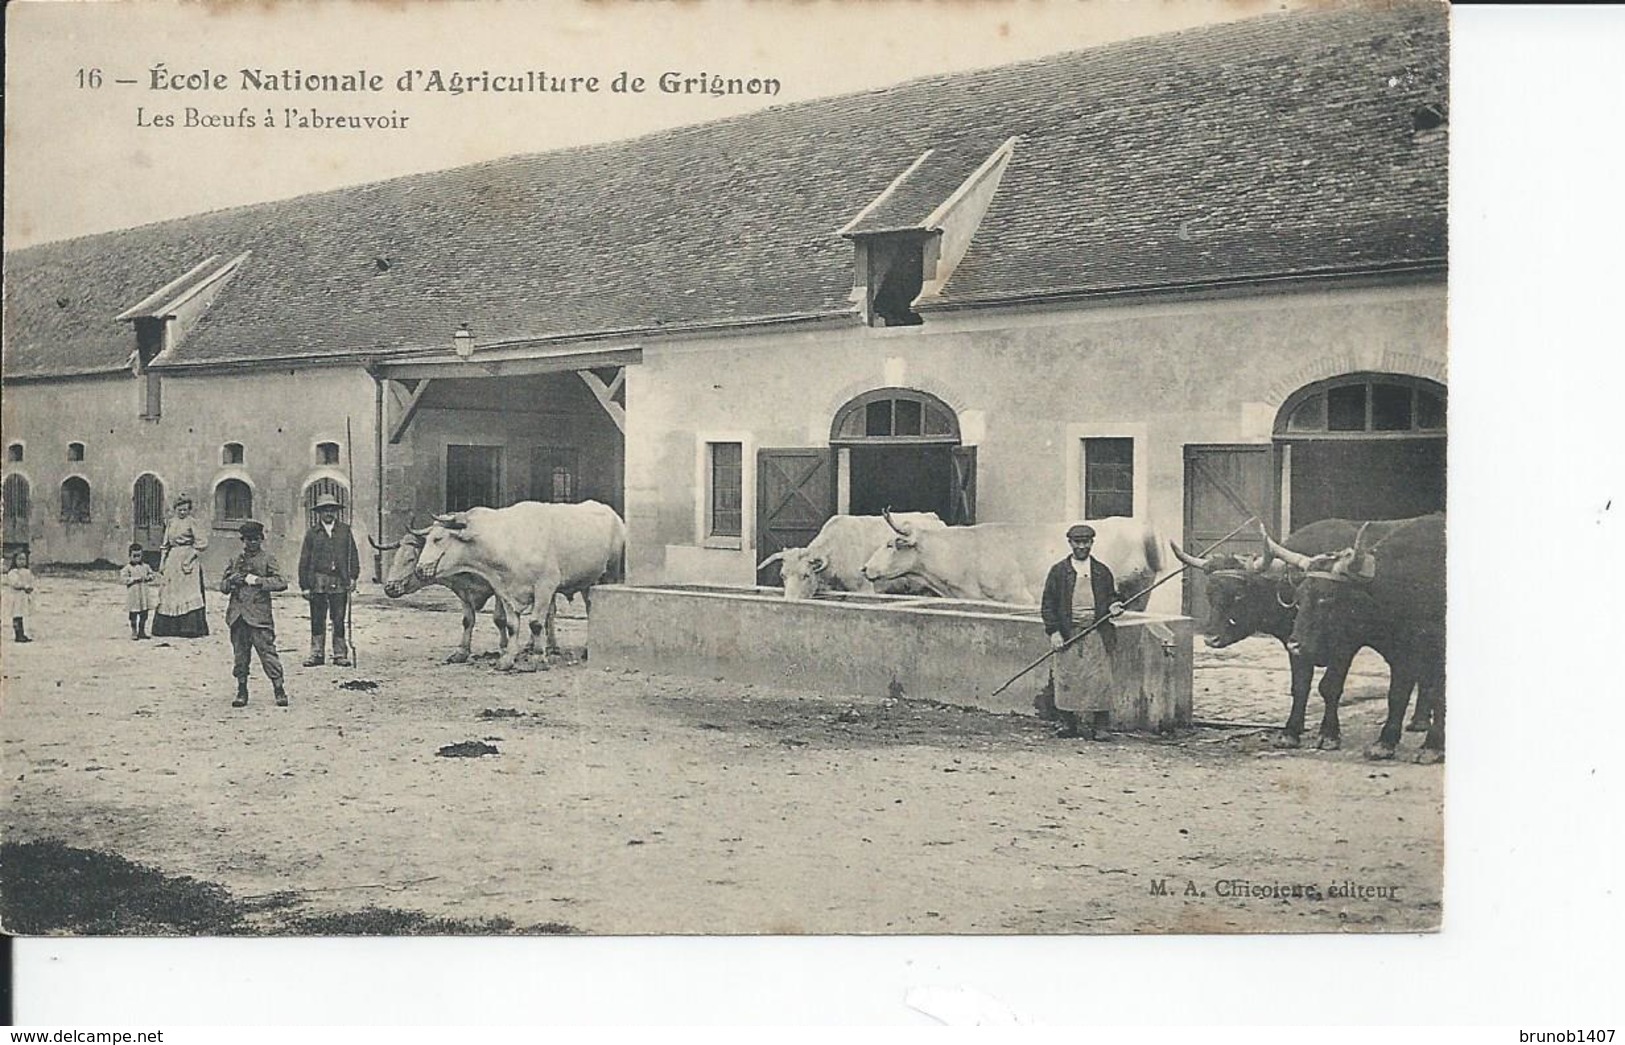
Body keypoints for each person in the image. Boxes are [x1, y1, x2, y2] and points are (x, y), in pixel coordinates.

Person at [1040, 523, 1126, 741]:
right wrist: (1054, 632)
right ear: (1070, 543)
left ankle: (1101, 726)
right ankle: (1067, 724)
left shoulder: (1101, 571)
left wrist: (1114, 606)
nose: (1082, 546)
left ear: (1091, 543)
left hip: (1096, 631)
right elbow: (1048, 604)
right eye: (1077, 542)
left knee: (1099, 679)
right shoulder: (1059, 572)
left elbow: (1111, 596)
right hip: (1068, 633)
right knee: (1067, 678)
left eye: (1086, 542)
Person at [219, 519, 289, 708]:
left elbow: (282, 582)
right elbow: (223, 587)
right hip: (238, 616)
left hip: (259, 616)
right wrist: (231, 581)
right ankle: (242, 690)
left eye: (255, 539)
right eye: (248, 540)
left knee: (267, 653)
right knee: (240, 656)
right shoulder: (235, 560)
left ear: (261, 539)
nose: (252, 543)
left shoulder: (267, 559)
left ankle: (279, 688)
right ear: (243, 540)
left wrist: (258, 581)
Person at [297, 493, 361, 667]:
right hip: (317, 580)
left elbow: (352, 555)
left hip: (339, 580)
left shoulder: (345, 531)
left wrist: (353, 576)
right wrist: (304, 586)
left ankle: (340, 654)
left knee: (338, 618)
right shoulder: (312, 533)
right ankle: (317, 653)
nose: (328, 513)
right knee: (317, 618)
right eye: (325, 510)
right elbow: (304, 560)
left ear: (336, 512)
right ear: (319, 513)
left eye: (331, 510)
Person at [150, 494, 210, 638]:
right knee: (170, 591)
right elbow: (165, 545)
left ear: (189, 510)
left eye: (185, 510)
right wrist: (162, 563)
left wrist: (189, 558)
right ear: (175, 509)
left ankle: (189, 627)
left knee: (187, 591)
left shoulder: (192, 522)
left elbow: (202, 543)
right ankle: (168, 628)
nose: (182, 512)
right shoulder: (171, 523)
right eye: (180, 510)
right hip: (173, 559)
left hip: (188, 559)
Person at [120, 542, 158, 640]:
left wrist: (148, 577)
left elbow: (152, 575)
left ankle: (142, 631)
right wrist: (133, 579)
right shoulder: (127, 568)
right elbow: (123, 579)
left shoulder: (145, 566)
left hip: (143, 594)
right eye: (134, 556)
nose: (137, 558)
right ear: (130, 556)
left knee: (144, 613)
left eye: (139, 556)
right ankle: (134, 631)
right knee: (133, 613)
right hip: (133, 594)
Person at [5, 550, 37, 643]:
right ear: (14, 560)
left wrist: (30, 587)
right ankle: (18, 635)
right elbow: (15, 583)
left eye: (24, 559)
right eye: (19, 559)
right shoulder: (13, 572)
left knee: (21, 615)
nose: (22, 561)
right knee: (16, 615)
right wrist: (24, 586)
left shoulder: (27, 571)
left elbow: (31, 580)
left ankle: (22, 633)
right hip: (15, 597)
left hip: (23, 597)